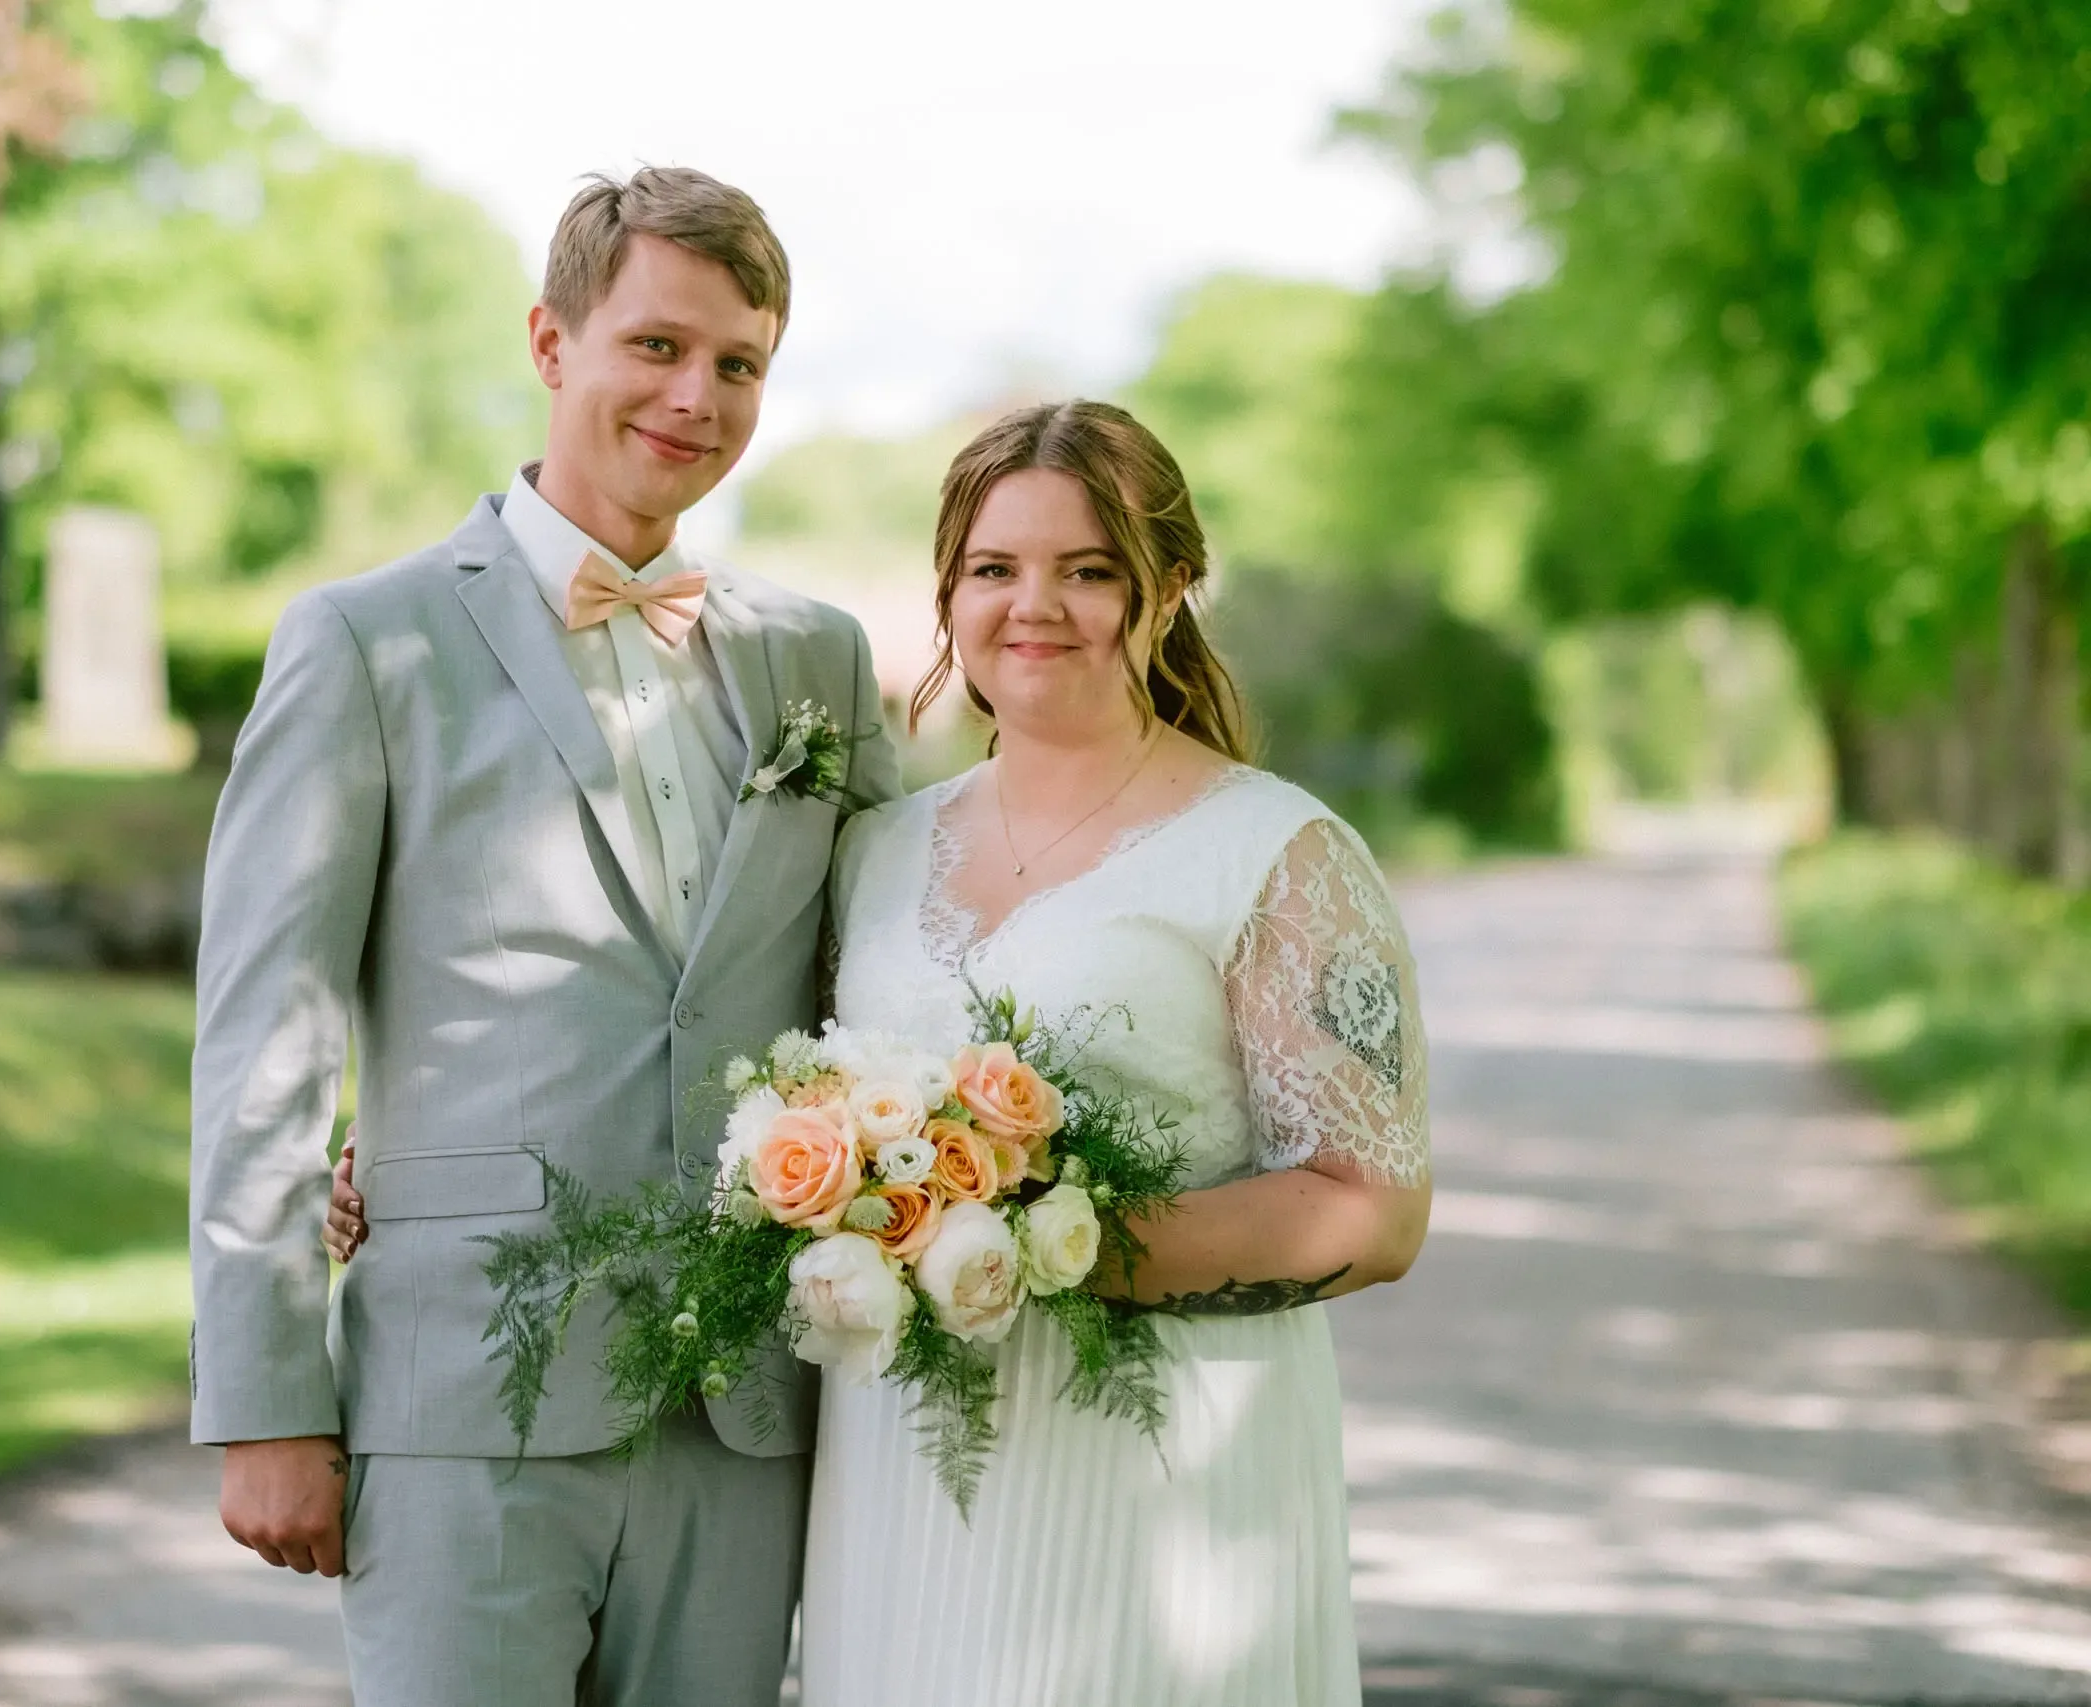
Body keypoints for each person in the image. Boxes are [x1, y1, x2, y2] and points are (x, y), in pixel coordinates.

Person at [329, 397, 1433, 1706]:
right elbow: (716, 1053)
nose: (1039, 605)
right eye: (995, 569)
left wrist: (1039, 1242)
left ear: (1172, 588)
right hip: (900, 1467)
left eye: (1091, 570)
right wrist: (392, 1152)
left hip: (1156, 1470)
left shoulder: (1279, 853)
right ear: (948, 596)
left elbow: (1373, 1210)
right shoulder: (879, 845)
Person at [192, 166, 899, 1707]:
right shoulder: (364, 641)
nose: (695, 396)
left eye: (739, 364)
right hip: (463, 1398)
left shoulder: (817, 660)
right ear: (552, 340)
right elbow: (268, 1032)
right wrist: (265, 1400)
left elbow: (887, 986)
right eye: (656, 345)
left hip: (744, 1411)